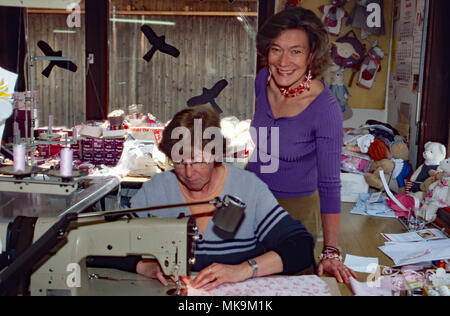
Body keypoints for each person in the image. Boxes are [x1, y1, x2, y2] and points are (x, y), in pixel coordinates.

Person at [129, 105, 315, 291]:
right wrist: (143, 266)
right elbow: (105, 247)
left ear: (216, 153)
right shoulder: (156, 190)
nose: (188, 172)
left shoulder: (248, 188)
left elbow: (300, 247)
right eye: (179, 162)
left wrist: (244, 269)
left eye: (198, 161)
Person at [246, 7, 356, 284]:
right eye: (276, 50)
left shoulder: (325, 108)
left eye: (295, 51)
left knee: (288, 284)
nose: (283, 61)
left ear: (311, 55)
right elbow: (265, 141)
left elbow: (330, 184)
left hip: (293, 211)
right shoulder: (263, 80)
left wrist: (331, 250)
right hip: (250, 198)